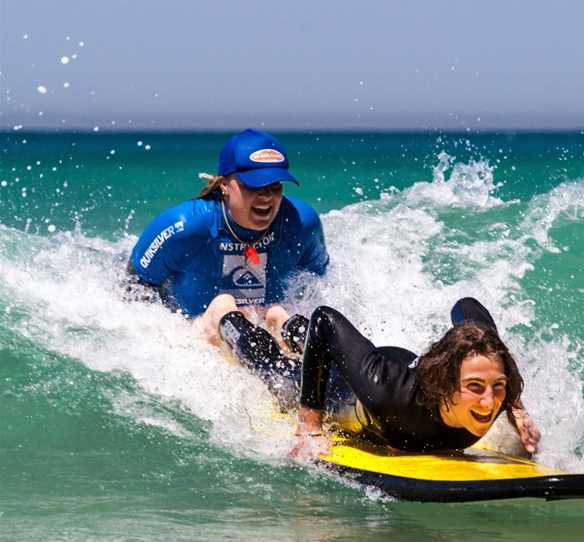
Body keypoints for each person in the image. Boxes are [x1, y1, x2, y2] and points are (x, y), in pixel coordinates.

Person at [211, 295, 541, 456]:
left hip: (396, 363)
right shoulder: (389, 397)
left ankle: (287, 323)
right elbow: (326, 319)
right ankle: (226, 317)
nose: (489, 400)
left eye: (498, 386)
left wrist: (516, 405)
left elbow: (466, 306)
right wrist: (309, 425)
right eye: (474, 387)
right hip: (355, 388)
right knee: (278, 375)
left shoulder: (496, 388)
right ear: (444, 384)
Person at [128, 129, 328, 343]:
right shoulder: (184, 226)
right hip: (196, 330)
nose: (266, 196)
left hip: (267, 321)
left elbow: (319, 282)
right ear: (224, 185)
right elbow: (135, 287)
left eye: (274, 185)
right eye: (254, 184)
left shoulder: (301, 222)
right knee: (223, 305)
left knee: (280, 314)